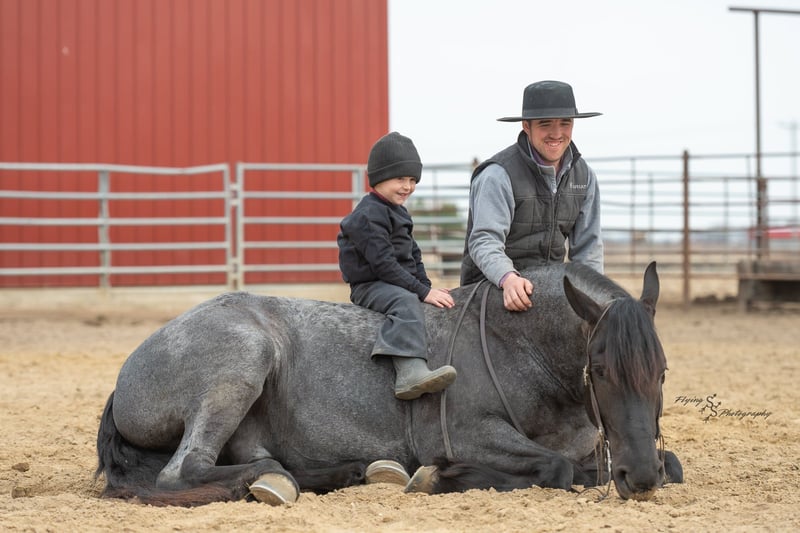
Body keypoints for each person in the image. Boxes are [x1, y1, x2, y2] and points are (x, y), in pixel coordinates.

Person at [461, 80, 604, 312]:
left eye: (565, 123)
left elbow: (589, 249)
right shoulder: (498, 175)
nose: (556, 133)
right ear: (526, 126)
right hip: (493, 287)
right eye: (545, 124)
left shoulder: (584, 176)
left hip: (549, 290)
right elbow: (484, 241)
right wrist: (508, 278)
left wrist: (594, 295)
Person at [338, 131, 457, 400]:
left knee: (423, 300)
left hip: (393, 280)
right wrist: (421, 292)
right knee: (405, 302)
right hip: (372, 284)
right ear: (379, 178)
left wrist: (427, 287)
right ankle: (409, 372)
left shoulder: (399, 211)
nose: (408, 186)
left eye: (413, 180)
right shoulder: (368, 215)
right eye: (400, 179)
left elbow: (413, 254)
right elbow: (384, 264)